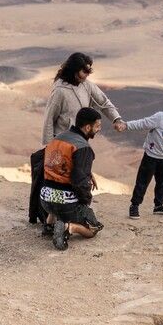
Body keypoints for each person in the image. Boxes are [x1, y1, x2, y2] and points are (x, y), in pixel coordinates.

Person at [40, 106, 105, 250]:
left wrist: (89, 173)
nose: (99, 129)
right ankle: (68, 227)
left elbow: (60, 165)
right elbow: (79, 180)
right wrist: (85, 201)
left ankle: (49, 225)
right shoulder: (82, 147)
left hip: (45, 199)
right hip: (65, 203)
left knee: (56, 188)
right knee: (93, 228)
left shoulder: (57, 139)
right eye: (97, 126)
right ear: (88, 127)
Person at [42, 52, 126, 145]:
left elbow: (103, 102)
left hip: (80, 140)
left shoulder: (87, 85)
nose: (87, 75)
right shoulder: (59, 91)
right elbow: (49, 118)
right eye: (84, 72)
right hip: (62, 142)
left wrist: (116, 119)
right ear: (74, 70)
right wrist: (49, 146)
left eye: (88, 72)